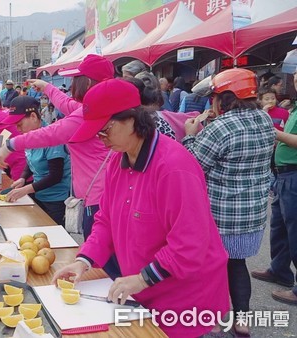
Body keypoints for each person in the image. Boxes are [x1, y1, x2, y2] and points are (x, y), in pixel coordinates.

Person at [54, 79, 230, 338]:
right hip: (144, 291)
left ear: (133, 119)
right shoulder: (117, 161)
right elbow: (106, 220)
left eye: (105, 130)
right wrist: (84, 260)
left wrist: (142, 278)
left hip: (183, 297)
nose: (101, 140)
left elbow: (190, 243)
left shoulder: (174, 167)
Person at [183, 68, 275, 336]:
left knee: (207, 269)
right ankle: (241, 321)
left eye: (214, 96)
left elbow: (195, 167)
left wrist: (191, 134)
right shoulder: (264, 120)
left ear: (225, 97)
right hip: (252, 215)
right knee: (237, 265)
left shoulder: (221, 127)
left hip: (219, 215)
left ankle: (204, 319)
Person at [0, 55, 113, 241]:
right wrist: (47, 87)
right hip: (99, 193)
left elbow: (52, 133)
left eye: (74, 80)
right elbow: (68, 104)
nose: (72, 85)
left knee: (98, 254)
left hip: (98, 197)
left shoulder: (91, 113)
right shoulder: (95, 107)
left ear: (86, 83)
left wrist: (10, 145)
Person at [251, 68, 297, 306]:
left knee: (295, 231)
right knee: (279, 227)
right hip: (283, 175)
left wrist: (274, 133)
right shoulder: (294, 108)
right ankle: (279, 270)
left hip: (294, 175)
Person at [1, 96, 71, 225]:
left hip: (55, 200)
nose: (18, 129)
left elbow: (55, 175)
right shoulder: (30, 136)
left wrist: (26, 189)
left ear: (33, 116)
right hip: (39, 194)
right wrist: (23, 178)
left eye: (20, 124)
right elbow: (31, 160)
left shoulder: (52, 138)